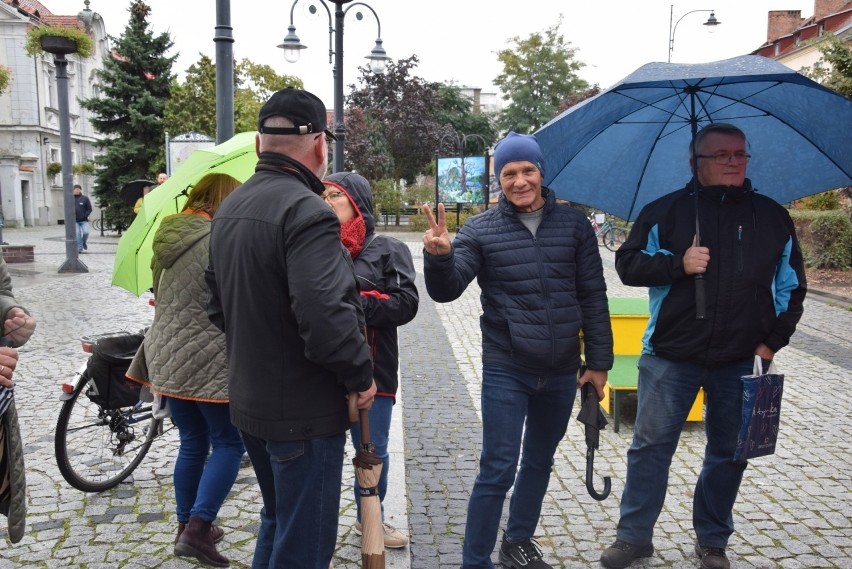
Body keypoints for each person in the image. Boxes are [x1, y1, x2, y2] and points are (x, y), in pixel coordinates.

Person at [599, 123, 807, 569]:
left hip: (740, 359)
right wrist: (679, 264)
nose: (734, 162)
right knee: (650, 449)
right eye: (721, 155)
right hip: (670, 356)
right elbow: (628, 264)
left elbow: (791, 287)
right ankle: (633, 537)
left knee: (730, 453)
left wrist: (771, 344)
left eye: (740, 154)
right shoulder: (666, 211)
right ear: (696, 163)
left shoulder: (772, 217)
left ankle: (712, 539)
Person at [422, 132, 613, 569]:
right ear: (498, 180)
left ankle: (517, 542)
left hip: (564, 367)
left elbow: (593, 296)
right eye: (509, 173)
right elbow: (448, 289)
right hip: (508, 367)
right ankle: (475, 560)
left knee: (540, 461)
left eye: (527, 170)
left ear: (541, 172)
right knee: (498, 468)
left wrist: (599, 364)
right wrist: (439, 257)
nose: (519, 181)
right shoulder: (481, 229)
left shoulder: (575, 226)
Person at [205, 88, 376, 569]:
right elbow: (325, 319)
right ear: (321, 146)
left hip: (251, 403)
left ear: (259, 145)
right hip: (303, 413)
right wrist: (361, 378)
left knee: (278, 522)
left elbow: (217, 308)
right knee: (303, 543)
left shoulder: (229, 209)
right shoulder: (308, 211)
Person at [127, 173, 244, 567]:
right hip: (209, 354)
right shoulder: (219, 239)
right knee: (229, 443)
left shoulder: (166, 237)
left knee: (193, 441)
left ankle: (185, 526)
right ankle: (198, 529)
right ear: (222, 201)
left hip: (166, 354)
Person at [321, 172, 419, 549]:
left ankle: (370, 521)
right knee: (326, 454)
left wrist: (355, 304)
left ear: (357, 203)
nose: (327, 202)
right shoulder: (317, 246)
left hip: (374, 369)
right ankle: (321, 529)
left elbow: (405, 304)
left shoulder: (388, 248)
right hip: (325, 373)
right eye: (324, 195)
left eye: (336, 196)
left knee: (373, 451)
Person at [73, 184, 92, 253]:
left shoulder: (85, 198)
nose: (77, 191)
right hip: (75, 221)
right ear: (73, 190)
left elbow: (89, 209)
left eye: (78, 189)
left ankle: (83, 242)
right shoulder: (71, 198)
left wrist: (85, 215)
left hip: (84, 220)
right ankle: (80, 248)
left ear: (80, 190)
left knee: (86, 232)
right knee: (77, 233)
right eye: (76, 189)